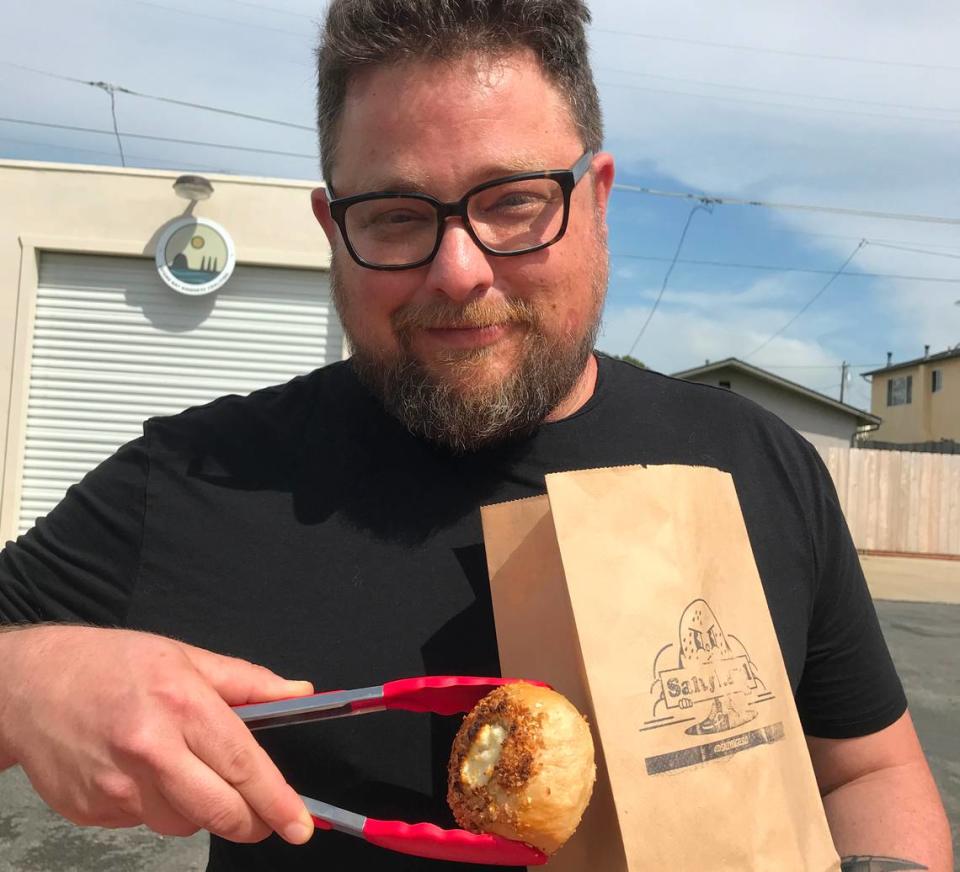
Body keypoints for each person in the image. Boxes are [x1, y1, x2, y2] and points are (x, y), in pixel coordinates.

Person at [0, 1, 951, 870]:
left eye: (513, 201)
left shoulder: (754, 461)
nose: (459, 269)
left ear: (598, 197)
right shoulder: (204, 477)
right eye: (397, 215)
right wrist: (32, 679)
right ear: (334, 228)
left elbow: (863, 771)